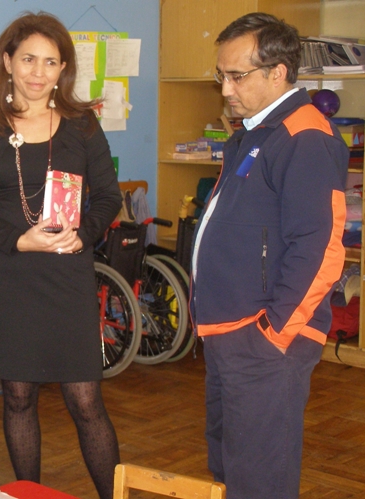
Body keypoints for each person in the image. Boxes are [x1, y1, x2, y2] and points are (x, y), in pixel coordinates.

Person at [0, 11, 122, 499]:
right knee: (18, 397)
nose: (38, 72)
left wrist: (82, 233)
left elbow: (107, 196)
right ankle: (29, 494)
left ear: (62, 68)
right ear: (7, 62)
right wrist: (18, 239)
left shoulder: (81, 124)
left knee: (87, 401)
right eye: (28, 59)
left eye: (50, 62)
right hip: (7, 275)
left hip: (67, 275)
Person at [190, 12, 349, 499]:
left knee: (260, 481)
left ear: (278, 73)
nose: (226, 88)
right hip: (226, 332)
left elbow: (320, 248)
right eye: (222, 74)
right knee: (230, 467)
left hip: (265, 339)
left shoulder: (304, 136)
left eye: (237, 76)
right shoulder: (252, 131)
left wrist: (273, 334)